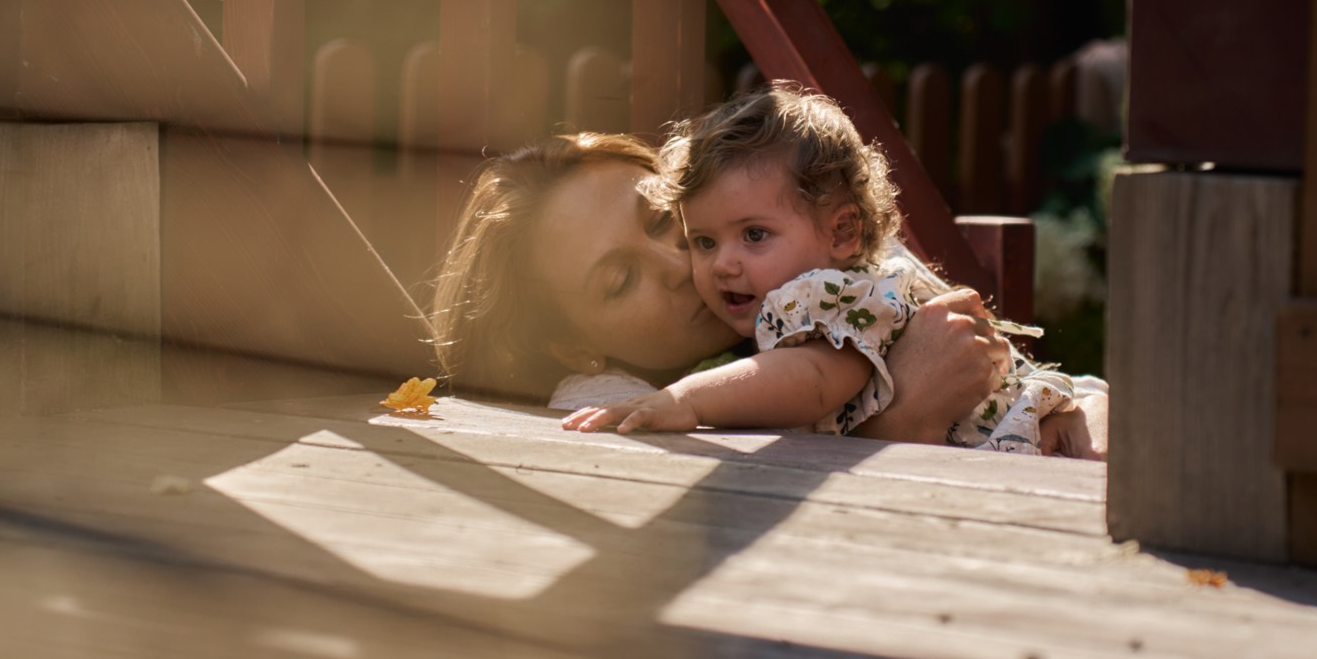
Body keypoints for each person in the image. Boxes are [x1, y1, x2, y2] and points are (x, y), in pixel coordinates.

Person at [430, 126, 1107, 453]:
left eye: (668, 220)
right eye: (619, 280)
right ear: (571, 345)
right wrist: (906, 416)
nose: (676, 262)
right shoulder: (608, 405)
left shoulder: (800, 261)